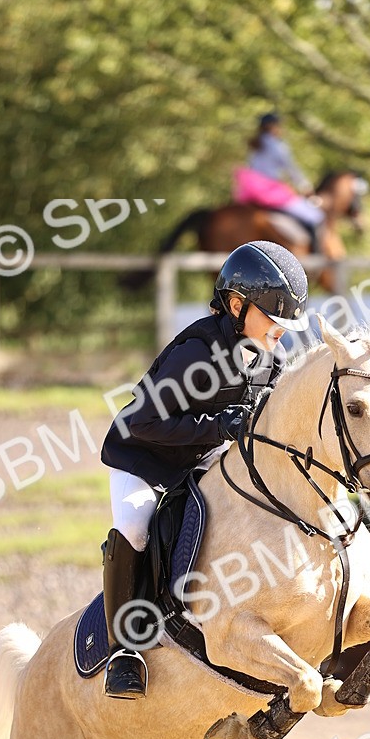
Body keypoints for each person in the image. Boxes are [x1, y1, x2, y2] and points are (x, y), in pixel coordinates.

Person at [99, 240, 309, 699]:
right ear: (237, 305)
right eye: (275, 318)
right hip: (144, 458)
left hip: (200, 461)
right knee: (135, 526)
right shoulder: (198, 352)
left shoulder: (271, 358)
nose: (282, 331)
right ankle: (123, 652)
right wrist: (219, 427)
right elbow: (144, 421)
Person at [233, 112, 325, 248]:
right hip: (270, 192)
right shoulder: (277, 146)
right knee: (315, 216)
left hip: (250, 190)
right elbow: (291, 169)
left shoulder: (255, 146)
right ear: (273, 127)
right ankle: (316, 259)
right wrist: (306, 187)